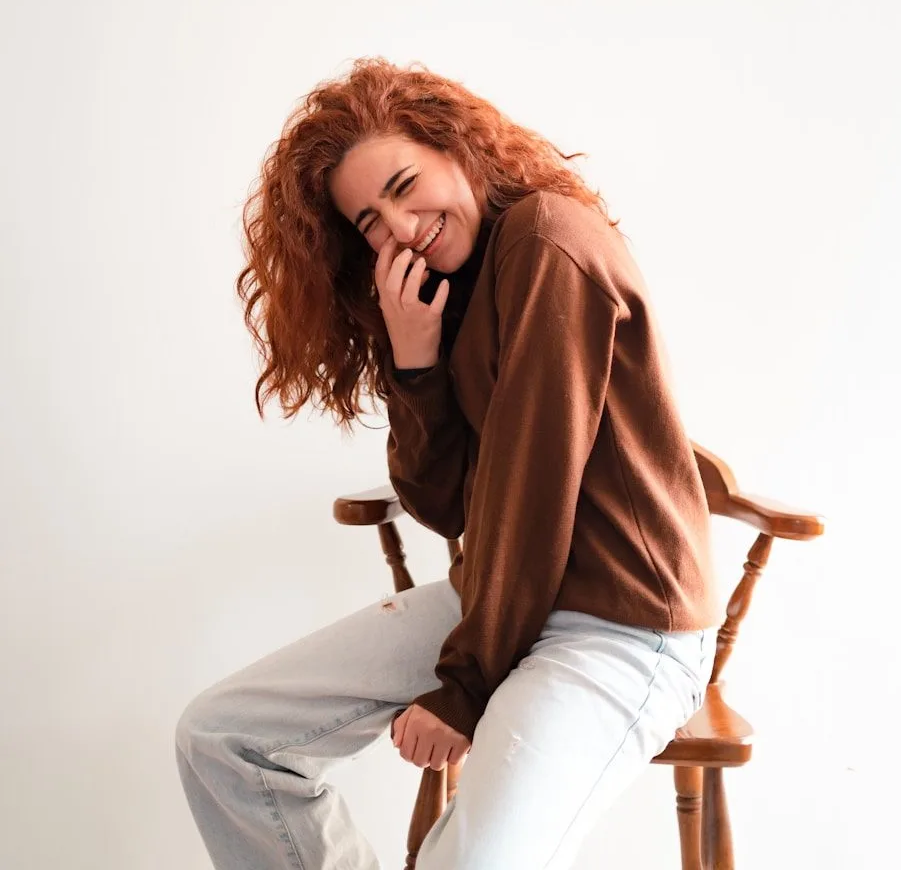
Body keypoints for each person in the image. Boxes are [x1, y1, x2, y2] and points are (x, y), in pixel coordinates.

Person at [175, 56, 723, 870]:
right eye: (369, 222)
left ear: (459, 148)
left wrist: (464, 687)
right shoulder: (452, 287)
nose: (400, 228)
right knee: (224, 738)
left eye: (404, 186)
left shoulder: (546, 239)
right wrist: (414, 363)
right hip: (502, 602)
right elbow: (444, 507)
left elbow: (532, 491)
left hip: (619, 627)